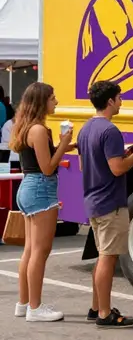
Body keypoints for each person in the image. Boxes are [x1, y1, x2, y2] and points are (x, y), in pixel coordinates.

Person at [77, 80, 133, 328]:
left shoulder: (85, 129)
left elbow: (84, 166)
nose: (121, 101)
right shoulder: (110, 131)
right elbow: (117, 169)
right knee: (108, 257)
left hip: (93, 199)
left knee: (101, 256)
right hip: (111, 202)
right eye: (119, 97)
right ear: (110, 101)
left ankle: (97, 307)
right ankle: (105, 314)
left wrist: (123, 155)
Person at [10, 82, 74, 322]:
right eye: (52, 98)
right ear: (41, 102)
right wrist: (65, 144)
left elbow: (42, 160)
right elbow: (47, 167)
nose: (56, 102)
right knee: (40, 251)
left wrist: (63, 146)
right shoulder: (38, 129)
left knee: (30, 250)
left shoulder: (25, 127)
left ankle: (24, 303)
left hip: (29, 186)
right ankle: (35, 308)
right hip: (40, 188)